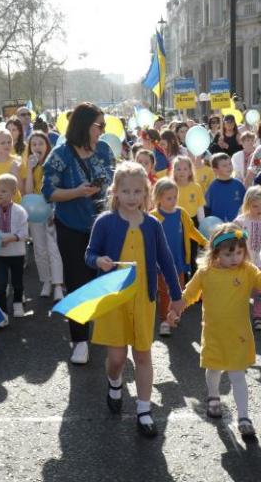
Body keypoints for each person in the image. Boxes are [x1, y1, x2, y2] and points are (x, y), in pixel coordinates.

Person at [85, 162, 183, 438]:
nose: (131, 197)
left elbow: (165, 260)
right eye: (126, 191)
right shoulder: (104, 222)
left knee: (142, 354)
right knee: (116, 358)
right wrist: (99, 261)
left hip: (143, 298)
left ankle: (143, 410)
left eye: (137, 191)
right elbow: (89, 254)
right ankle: (114, 383)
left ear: (145, 193)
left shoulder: (152, 224)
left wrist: (176, 297)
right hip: (114, 298)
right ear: (115, 192)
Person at [168, 222, 261, 443]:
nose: (235, 258)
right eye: (229, 253)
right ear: (215, 253)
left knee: (237, 375)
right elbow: (190, 294)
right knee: (213, 369)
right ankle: (213, 397)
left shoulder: (247, 270)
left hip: (238, 335)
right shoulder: (205, 273)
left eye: (240, 252)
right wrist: (177, 309)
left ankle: (244, 417)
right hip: (213, 333)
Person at [42, 102, 115, 364]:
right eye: (100, 126)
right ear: (84, 125)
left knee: (105, 279)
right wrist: (77, 192)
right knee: (76, 282)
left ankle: (106, 331)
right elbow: (48, 192)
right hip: (71, 226)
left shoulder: (105, 150)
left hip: (104, 225)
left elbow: (114, 183)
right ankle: (80, 340)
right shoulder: (60, 154)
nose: (103, 131)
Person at [150, 178, 207, 337]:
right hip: (161, 263)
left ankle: (174, 316)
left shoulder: (181, 213)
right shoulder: (153, 216)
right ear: (158, 198)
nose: (173, 200)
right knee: (164, 291)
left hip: (179, 260)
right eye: (169, 198)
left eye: (175, 197)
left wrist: (204, 242)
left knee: (179, 291)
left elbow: (191, 231)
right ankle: (164, 321)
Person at [22, 131, 65, 300]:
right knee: (39, 249)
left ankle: (58, 285)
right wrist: (30, 169)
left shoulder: (53, 164)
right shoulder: (29, 166)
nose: (37, 147)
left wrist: (53, 210)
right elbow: (28, 192)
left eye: (40, 143)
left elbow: (57, 189)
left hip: (51, 210)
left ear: (47, 146)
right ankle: (46, 281)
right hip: (35, 213)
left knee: (54, 249)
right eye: (34, 144)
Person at [0, 173, 29, 320]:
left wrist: (10, 238)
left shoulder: (20, 211)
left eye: (3, 191)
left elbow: (24, 233)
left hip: (17, 253)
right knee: (0, 284)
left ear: (13, 192)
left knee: (17, 281)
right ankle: (2, 311)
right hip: (0, 255)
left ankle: (18, 303)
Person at [234, 186, 261, 331]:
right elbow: (231, 232)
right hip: (244, 262)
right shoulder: (241, 220)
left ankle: (257, 316)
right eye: (255, 206)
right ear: (248, 204)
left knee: (259, 292)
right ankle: (239, 316)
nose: (259, 209)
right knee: (241, 289)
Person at [205, 153, 246, 222]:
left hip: (237, 225)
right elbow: (207, 207)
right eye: (224, 165)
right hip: (219, 227)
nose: (229, 167)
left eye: (230, 164)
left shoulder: (238, 184)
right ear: (216, 170)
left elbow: (246, 204)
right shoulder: (213, 187)